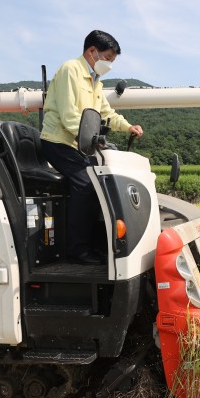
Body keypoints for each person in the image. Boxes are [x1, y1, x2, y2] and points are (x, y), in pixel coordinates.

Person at [40, 30, 144, 265]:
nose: (109, 64)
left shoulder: (96, 81)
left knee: (102, 183)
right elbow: (69, 116)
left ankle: (96, 244)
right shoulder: (71, 70)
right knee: (86, 184)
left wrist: (128, 127)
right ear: (91, 51)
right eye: (107, 58)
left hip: (78, 145)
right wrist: (94, 137)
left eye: (112, 61)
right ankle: (76, 250)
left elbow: (105, 113)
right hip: (57, 142)